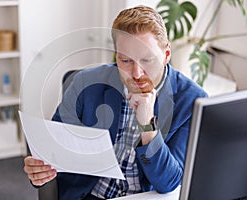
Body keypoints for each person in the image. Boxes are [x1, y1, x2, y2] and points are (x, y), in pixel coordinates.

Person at [23, 5, 207, 200]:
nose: (136, 73)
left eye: (147, 59)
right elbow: (54, 152)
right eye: (125, 60)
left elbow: (169, 182)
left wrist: (147, 126)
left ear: (166, 55)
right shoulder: (85, 83)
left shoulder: (192, 101)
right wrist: (39, 170)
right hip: (90, 195)